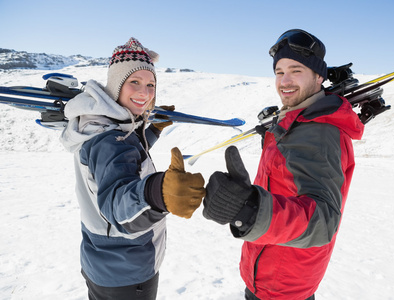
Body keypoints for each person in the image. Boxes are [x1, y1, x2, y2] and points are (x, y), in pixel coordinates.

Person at [202, 29, 364, 299]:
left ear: (318, 76)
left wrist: (249, 209)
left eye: (296, 70)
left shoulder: (318, 132)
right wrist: (272, 136)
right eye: (279, 72)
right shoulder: (297, 120)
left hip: (283, 284)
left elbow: (323, 221)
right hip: (266, 272)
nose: (285, 81)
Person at [60, 37, 205, 300]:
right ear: (116, 86)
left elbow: (124, 161)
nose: (145, 93)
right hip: (127, 272)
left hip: (103, 261)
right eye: (134, 82)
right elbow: (117, 204)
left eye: (151, 85)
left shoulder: (104, 125)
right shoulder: (111, 139)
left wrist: (150, 133)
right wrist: (157, 193)